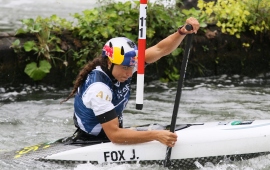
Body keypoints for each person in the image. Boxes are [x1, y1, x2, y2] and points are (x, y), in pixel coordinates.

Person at [61, 17, 200, 148]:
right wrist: (156, 136)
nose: (129, 73)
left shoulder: (125, 63)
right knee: (157, 132)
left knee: (159, 127)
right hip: (93, 142)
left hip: (112, 135)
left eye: (132, 67)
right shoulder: (98, 89)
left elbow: (159, 49)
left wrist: (182, 32)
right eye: (125, 68)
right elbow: (115, 135)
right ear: (110, 62)